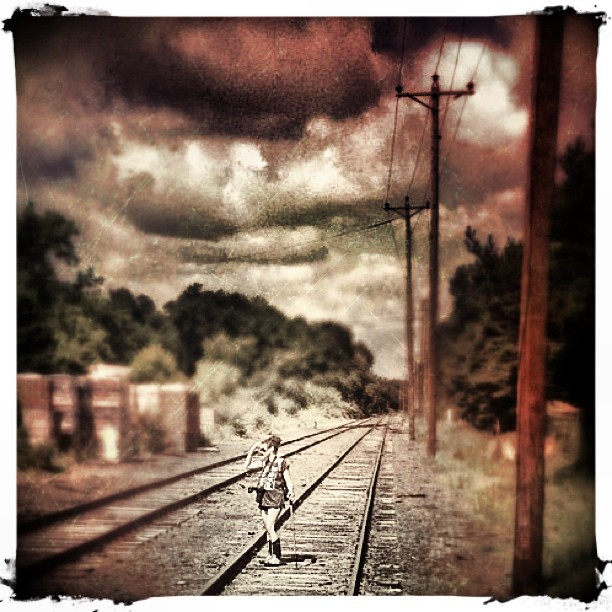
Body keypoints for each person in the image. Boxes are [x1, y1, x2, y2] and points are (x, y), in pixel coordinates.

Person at [244, 434, 294, 565]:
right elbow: (247, 466)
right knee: (267, 528)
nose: (262, 452)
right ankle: (270, 555)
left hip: (276, 497)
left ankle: (277, 557)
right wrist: (252, 449)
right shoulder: (264, 463)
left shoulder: (281, 462)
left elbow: (288, 480)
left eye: (264, 449)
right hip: (264, 497)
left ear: (272, 449)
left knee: (270, 526)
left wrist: (291, 492)